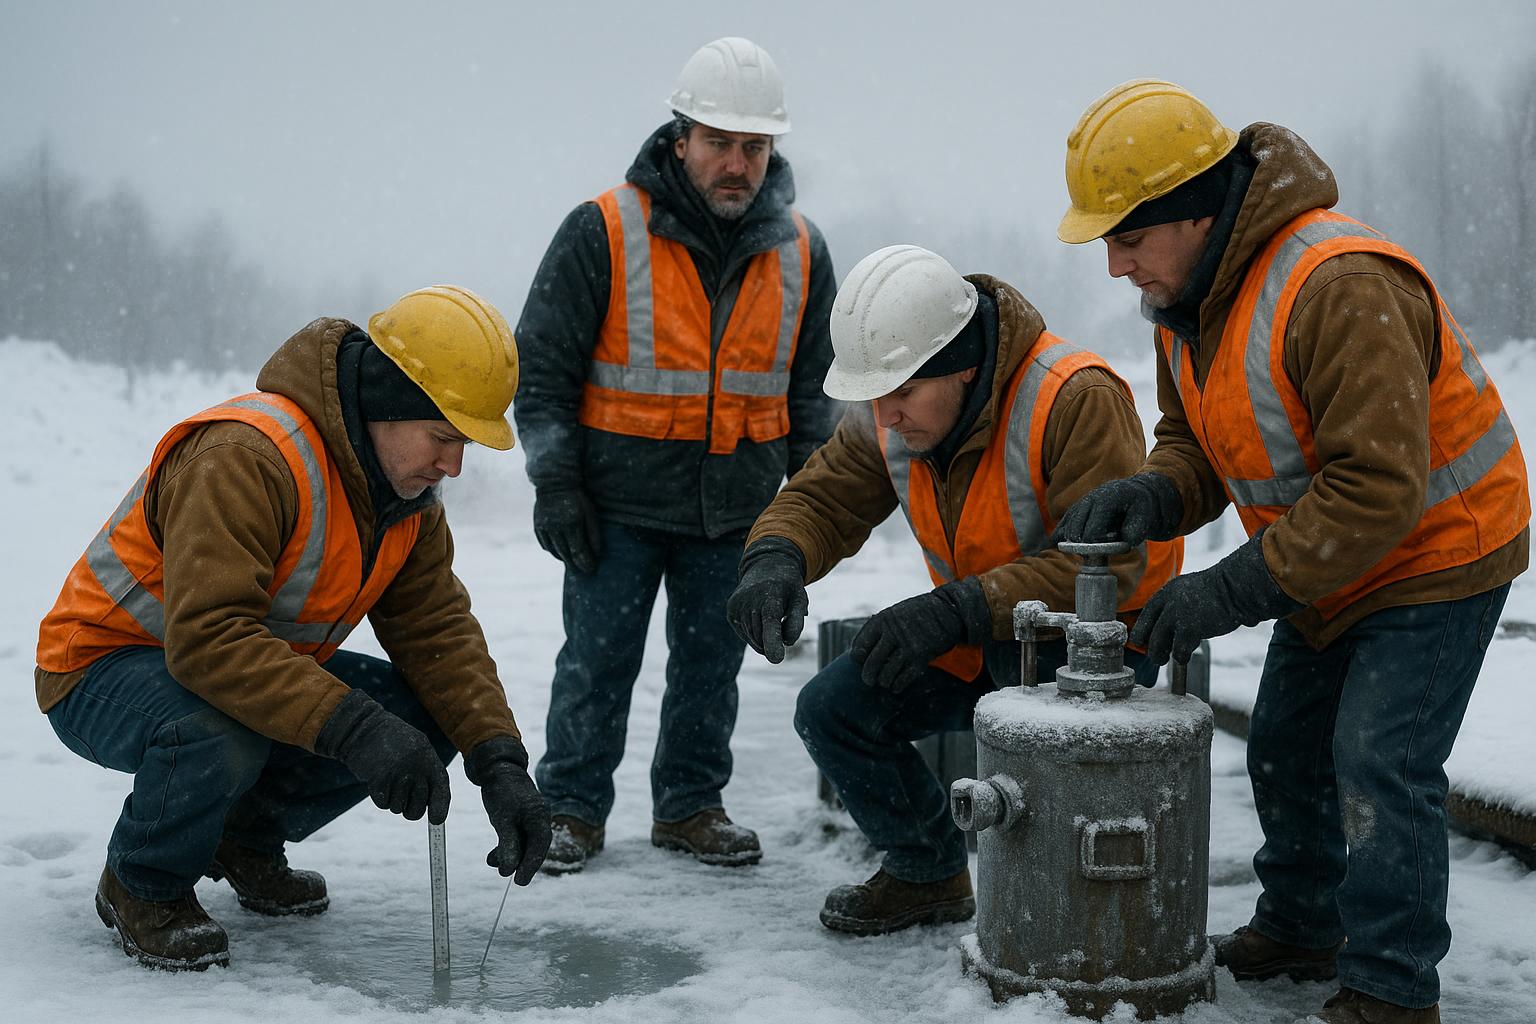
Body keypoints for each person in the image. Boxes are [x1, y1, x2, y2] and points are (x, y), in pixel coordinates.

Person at [1053, 80, 1530, 1024]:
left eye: (1126, 238)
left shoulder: (1338, 286)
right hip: (1328, 563)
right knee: (1283, 746)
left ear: (1192, 214)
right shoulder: (1190, 304)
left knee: (1376, 760)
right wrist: (1157, 491)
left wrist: (1229, 590)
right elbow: (1201, 443)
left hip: (1440, 552)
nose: (1114, 266)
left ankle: (1394, 986)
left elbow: (1380, 489)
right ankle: (1306, 923)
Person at [35, 286, 553, 972]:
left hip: (229, 669)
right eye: (445, 437)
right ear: (389, 402)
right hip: (100, 667)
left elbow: (439, 634)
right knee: (221, 729)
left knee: (421, 714)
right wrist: (355, 731)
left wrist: (500, 764)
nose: (453, 465)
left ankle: (242, 838)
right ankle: (141, 884)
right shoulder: (246, 455)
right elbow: (210, 639)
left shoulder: (407, 503)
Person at [726, 245, 1182, 935]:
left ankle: (1068, 916)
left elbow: (1109, 566)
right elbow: (822, 499)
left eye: (901, 394)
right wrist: (774, 558)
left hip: (1095, 647)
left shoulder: (1074, 396)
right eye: (876, 396)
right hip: (977, 633)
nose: (886, 415)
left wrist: (957, 608)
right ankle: (927, 873)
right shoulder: (898, 409)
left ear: (962, 366)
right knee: (833, 710)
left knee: (1038, 759)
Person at [513, 36, 837, 874]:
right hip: (614, 508)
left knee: (710, 667)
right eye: (721, 143)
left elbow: (812, 401)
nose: (738, 163)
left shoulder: (802, 254)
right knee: (595, 664)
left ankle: (691, 807)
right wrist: (555, 484)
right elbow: (541, 372)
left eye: (755, 146)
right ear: (680, 136)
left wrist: (811, 517)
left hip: (736, 511)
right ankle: (571, 810)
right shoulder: (603, 231)